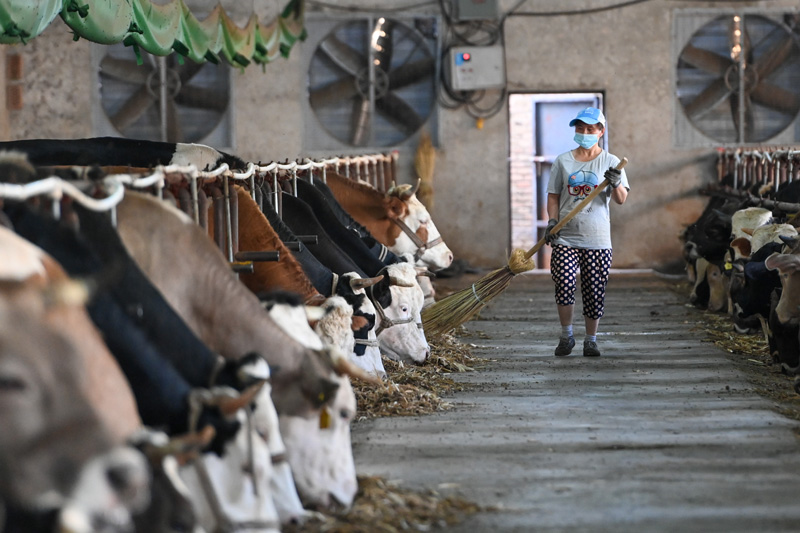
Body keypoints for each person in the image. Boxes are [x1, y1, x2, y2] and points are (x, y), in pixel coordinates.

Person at [543, 107, 629, 357]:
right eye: (580, 128)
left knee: (594, 289)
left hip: (598, 240)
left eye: (590, 129)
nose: (584, 133)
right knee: (564, 283)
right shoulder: (563, 161)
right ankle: (566, 335)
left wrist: (615, 183)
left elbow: (621, 199)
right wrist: (551, 221)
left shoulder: (612, 162)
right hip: (565, 236)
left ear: (601, 132)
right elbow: (554, 196)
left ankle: (591, 339)